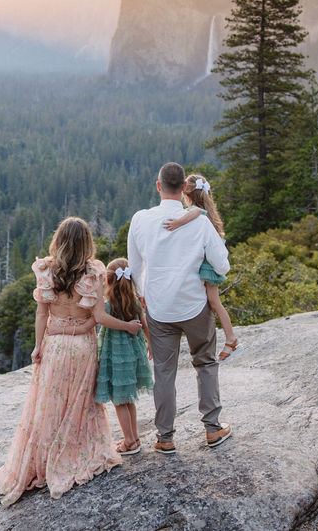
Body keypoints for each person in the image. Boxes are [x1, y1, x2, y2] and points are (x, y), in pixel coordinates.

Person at [0, 216, 143, 506]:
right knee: (82, 404)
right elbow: (98, 318)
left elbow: (41, 314)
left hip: (56, 346)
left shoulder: (47, 271)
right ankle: (79, 453)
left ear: (58, 241)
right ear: (87, 243)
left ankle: (45, 459)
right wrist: (89, 326)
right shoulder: (94, 272)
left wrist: (38, 347)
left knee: (49, 405)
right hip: (82, 347)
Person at [127, 162, 232, 454]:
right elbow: (222, 263)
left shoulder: (140, 220)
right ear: (185, 187)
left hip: (159, 307)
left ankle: (165, 437)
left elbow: (135, 268)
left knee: (164, 372)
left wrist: (142, 296)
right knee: (205, 361)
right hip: (195, 305)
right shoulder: (199, 221)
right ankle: (212, 429)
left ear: (158, 186)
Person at [162, 173, 241, 362]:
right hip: (209, 263)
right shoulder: (208, 210)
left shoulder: (197, 211)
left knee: (214, 302)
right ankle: (230, 339)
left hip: (208, 265)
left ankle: (231, 340)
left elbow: (197, 213)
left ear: (186, 195)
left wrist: (178, 222)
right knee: (213, 302)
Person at [94, 258, 153, 455]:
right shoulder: (134, 302)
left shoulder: (108, 305)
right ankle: (134, 437)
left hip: (116, 355)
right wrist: (150, 344)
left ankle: (129, 441)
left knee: (119, 400)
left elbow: (100, 319)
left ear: (108, 281)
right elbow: (144, 324)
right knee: (128, 398)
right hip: (133, 354)